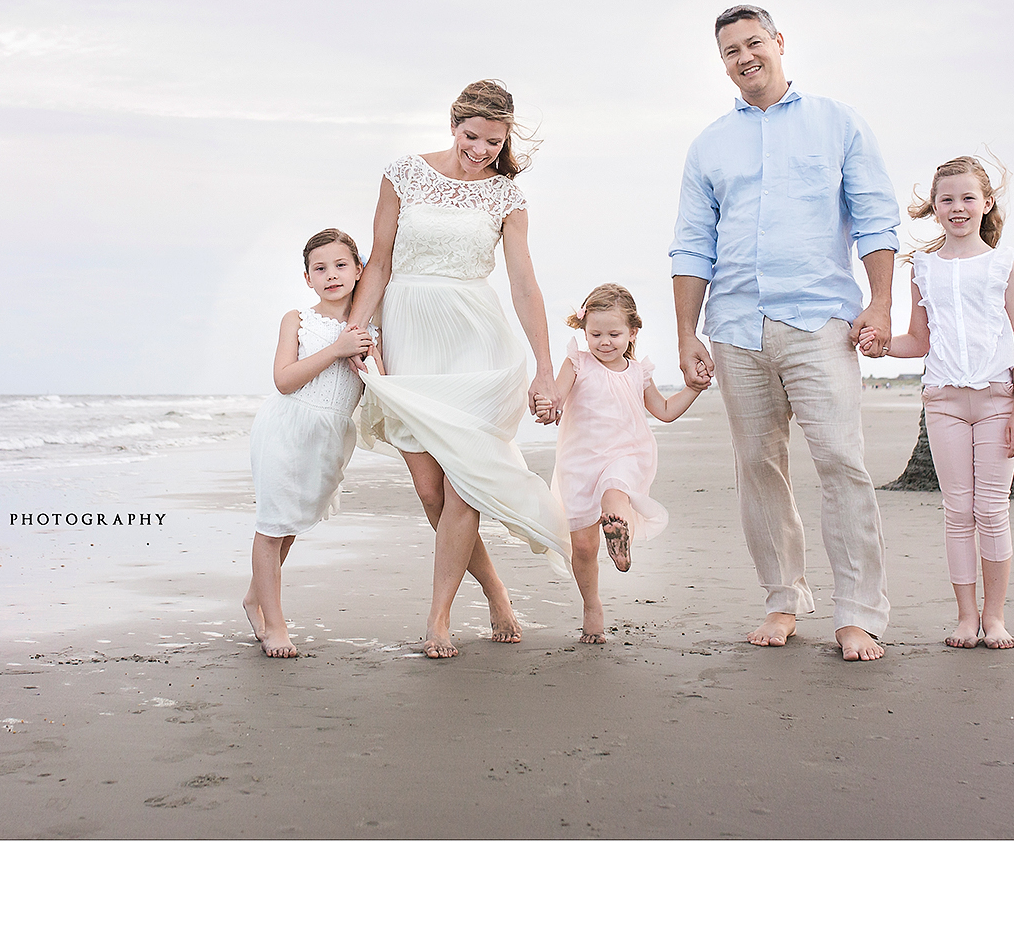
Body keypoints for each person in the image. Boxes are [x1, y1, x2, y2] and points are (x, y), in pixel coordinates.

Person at [670, 5, 902, 660]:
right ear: (722, 63)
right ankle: (782, 598)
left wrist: (880, 304)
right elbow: (692, 244)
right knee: (757, 466)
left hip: (821, 321)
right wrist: (687, 333)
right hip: (736, 328)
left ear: (778, 43)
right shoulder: (709, 144)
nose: (744, 57)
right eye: (730, 51)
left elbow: (876, 219)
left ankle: (857, 613)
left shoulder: (838, 123)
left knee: (840, 460)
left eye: (753, 44)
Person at [346, 79, 572, 660]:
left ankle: (440, 615)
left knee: (463, 485)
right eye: (472, 137)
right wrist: (358, 330)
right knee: (430, 491)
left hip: (477, 341)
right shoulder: (403, 173)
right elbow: (379, 260)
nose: (480, 151)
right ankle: (495, 589)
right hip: (410, 338)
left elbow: (523, 282)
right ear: (454, 124)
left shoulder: (507, 197)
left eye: (493, 143)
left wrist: (545, 368)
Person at [862, 157, 1014, 650]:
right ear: (934, 208)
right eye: (947, 200)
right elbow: (918, 340)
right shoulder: (924, 268)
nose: (957, 208)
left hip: (998, 401)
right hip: (944, 403)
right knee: (958, 511)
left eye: (967, 198)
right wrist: (879, 343)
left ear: (986, 203)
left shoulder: (1004, 265)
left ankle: (995, 618)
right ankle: (965, 618)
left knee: (993, 510)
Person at [242, 228, 377, 658]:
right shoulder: (298, 320)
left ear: (359, 270)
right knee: (273, 524)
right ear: (308, 278)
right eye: (320, 268)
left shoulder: (371, 328)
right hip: (286, 428)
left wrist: (364, 360)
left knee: (294, 522)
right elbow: (284, 380)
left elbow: (378, 385)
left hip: (329, 436)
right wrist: (337, 349)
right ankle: (275, 625)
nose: (331, 275)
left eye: (341, 265)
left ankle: (254, 597)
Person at [549, 283, 707, 644]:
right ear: (584, 330)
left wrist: (694, 389)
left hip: (625, 454)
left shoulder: (639, 373)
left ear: (633, 332)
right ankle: (592, 604)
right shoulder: (578, 362)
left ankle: (616, 523)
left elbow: (665, 411)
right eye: (596, 334)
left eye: (614, 334)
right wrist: (548, 404)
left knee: (614, 490)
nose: (605, 342)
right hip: (579, 461)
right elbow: (557, 394)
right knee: (584, 547)